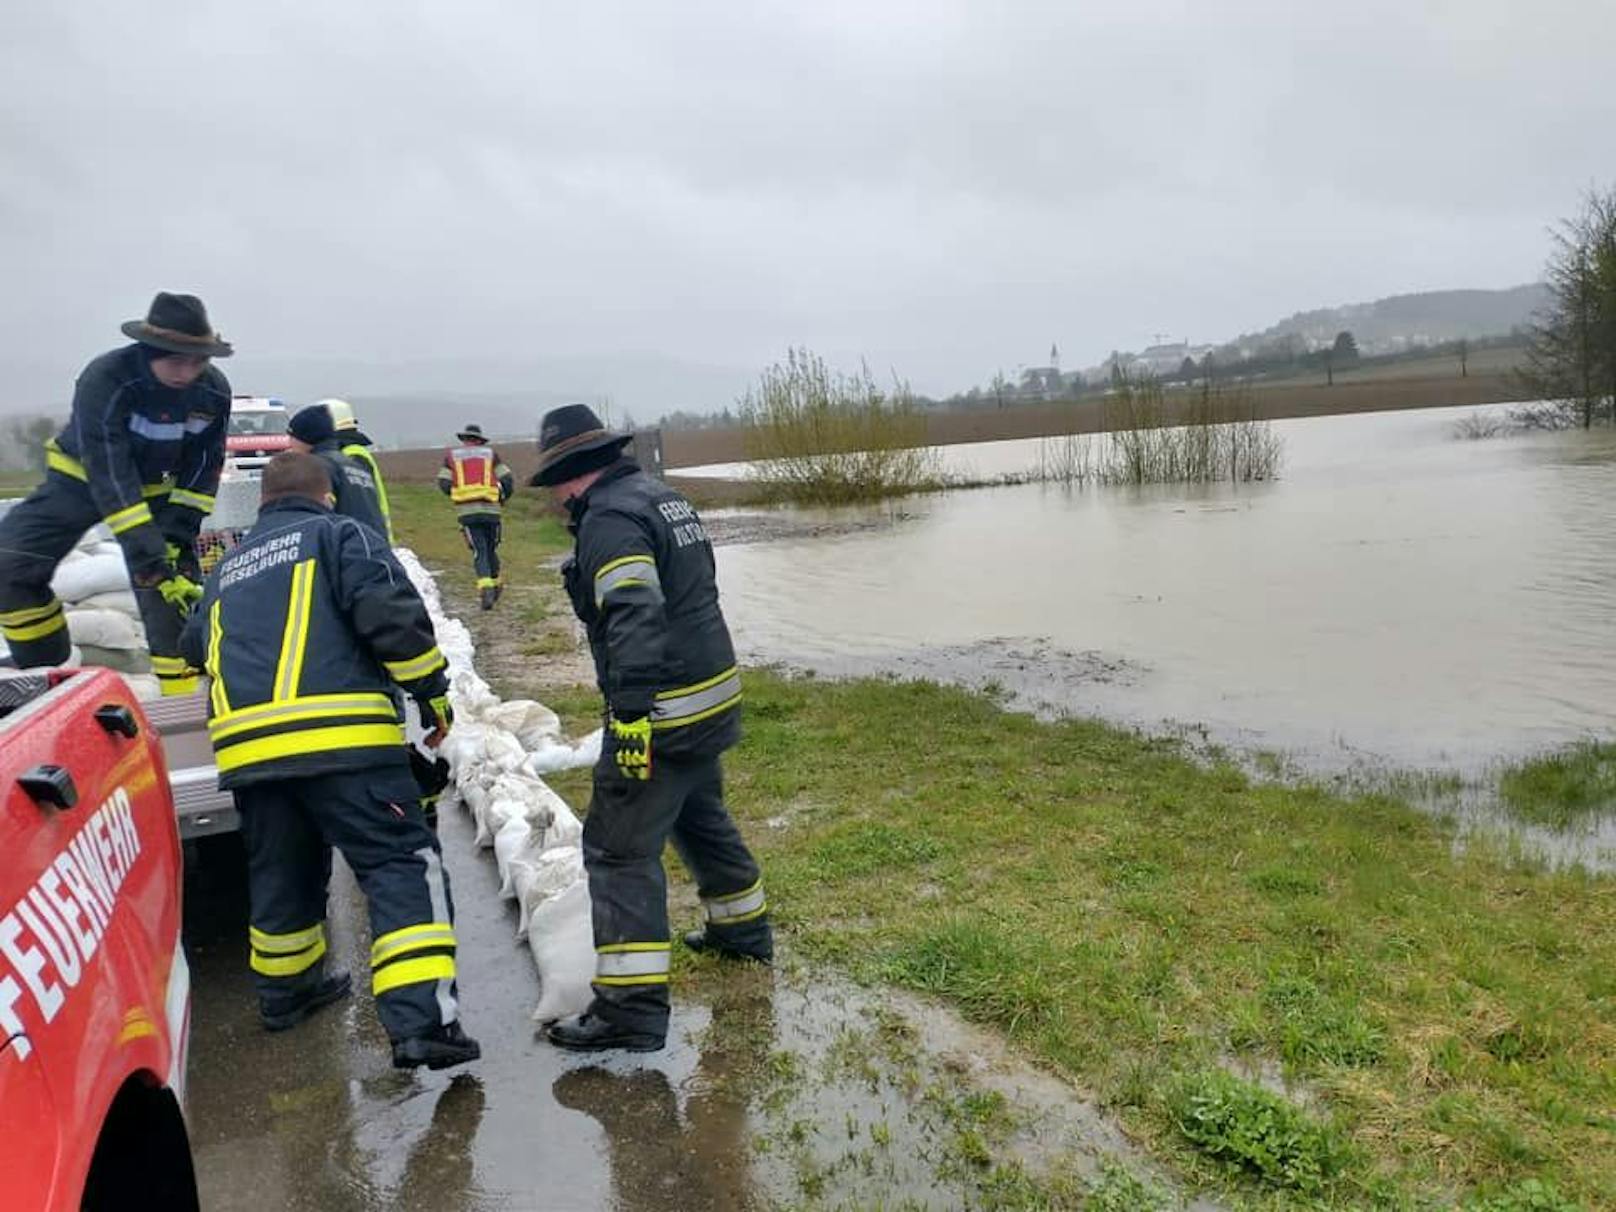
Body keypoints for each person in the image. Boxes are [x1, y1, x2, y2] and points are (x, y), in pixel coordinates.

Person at [178, 451, 480, 1070]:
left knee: (281, 873)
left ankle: (287, 996)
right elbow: (392, 620)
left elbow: (191, 647)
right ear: (327, 495)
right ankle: (422, 1024)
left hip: (250, 756)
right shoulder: (341, 535)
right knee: (400, 864)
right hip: (345, 744)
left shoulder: (227, 567)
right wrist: (431, 692)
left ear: (262, 503)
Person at [532, 404, 772, 1054]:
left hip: (661, 710)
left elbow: (635, 610)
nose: (555, 499)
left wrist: (632, 716)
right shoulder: (662, 498)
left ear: (571, 475)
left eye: (555, 484)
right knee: (699, 814)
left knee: (618, 849)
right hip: (710, 698)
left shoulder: (609, 521)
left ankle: (630, 1009)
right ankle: (742, 932)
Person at [0, 292, 232, 695]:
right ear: (148, 350)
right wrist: (144, 544)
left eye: (198, 361)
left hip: (160, 497)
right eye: (176, 360)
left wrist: (175, 536)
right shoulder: (106, 378)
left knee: (167, 597)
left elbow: (203, 469)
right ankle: (49, 675)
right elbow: (109, 466)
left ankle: (185, 707)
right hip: (81, 482)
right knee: (10, 565)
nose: (187, 372)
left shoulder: (213, 392)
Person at [436, 423, 513, 610]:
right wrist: (502, 497)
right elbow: (507, 479)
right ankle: (495, 584)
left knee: (479, 550)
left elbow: (443, 482)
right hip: (492, 511)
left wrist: (458, 494)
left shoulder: (452, 457)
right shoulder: (491, 455)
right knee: (491, 548)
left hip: (467, 512)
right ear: (480, 440)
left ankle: (486, 590)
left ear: (464, 439)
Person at [286, 401, 388, 537]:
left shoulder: (318, 467)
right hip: (370, 545)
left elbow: (313, 519)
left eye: (292, 437)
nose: (289, 443)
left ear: (306, 437)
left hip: (348, 548)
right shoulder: (349, 462)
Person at [322, 398, 395, 544]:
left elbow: (356, 504)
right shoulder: (353, 452)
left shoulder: (351, 456)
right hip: (370, 537)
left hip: (366, 540)